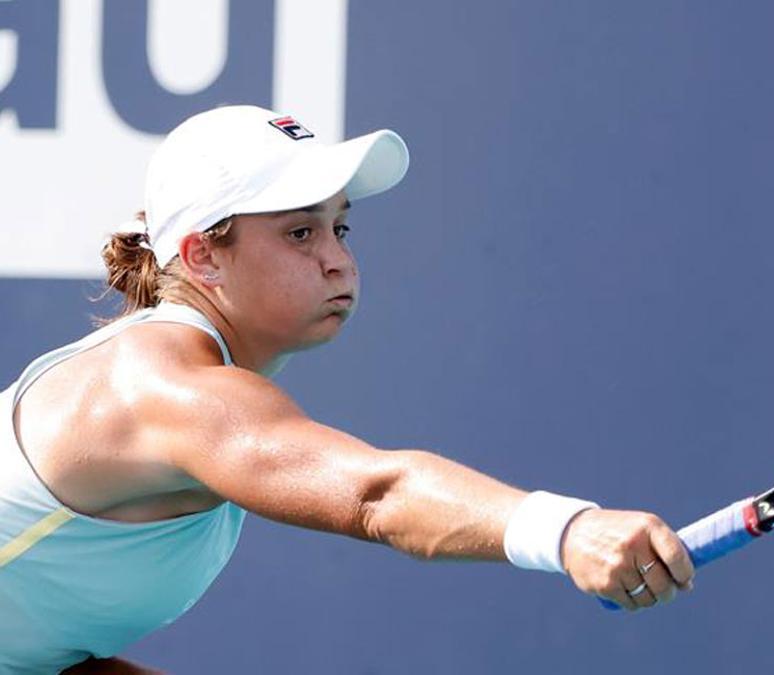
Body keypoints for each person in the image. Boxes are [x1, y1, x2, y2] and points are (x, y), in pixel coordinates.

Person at [0, 105, 694, 674]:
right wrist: (567, 529)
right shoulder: (166, 389)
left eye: (340, 226)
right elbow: (378, 495)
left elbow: (33, 636)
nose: (338, 258)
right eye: (300, 232)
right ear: (204, 256)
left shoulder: (177, 388)